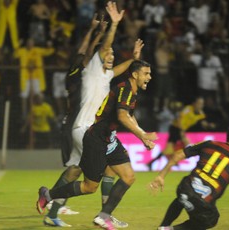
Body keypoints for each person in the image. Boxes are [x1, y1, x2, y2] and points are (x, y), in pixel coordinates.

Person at [41, 2, 144, 228]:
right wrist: (113, 25)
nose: (110, 55)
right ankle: (99, 214)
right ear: (99, 56)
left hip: (89, 130)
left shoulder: (105, 76)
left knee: (80, 170)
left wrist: (135, 59)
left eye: (113, 55)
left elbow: (123, 68)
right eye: (107, 53)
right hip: (89, 130)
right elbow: (105, 45)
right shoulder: (93, 71)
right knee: (94, 181)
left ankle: (56, 209)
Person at [36, 60, 157, 230]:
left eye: (150, 73)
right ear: (135, 74)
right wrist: (142, 134)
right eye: (146, 73)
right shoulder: (125, 89)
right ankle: (48, 194)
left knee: (128, 177)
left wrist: (142, 137)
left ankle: (103, 217)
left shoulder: (132, 91)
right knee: (89, 187)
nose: (149, 77)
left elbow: (129, 115)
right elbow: (122, 117)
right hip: (96, 139)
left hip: (110, 138)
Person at [149, 124, 229, 230]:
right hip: (203, 202)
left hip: (184, 187)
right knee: (211, 219)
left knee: (183, 197)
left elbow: (178, 154)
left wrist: (161, 176)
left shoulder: (210, 144)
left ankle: (163, 225)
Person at [147, 97, 215, 171]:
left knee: (168, 149)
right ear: (194, 104)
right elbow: (180, 118)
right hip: (175, 128)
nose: (200, 105)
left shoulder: (201, 114)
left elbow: (203, 123)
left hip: (181, 130)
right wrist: (181, 131)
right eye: (199, 103)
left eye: (202, 104)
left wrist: (209, 125)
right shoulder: (188, 109)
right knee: (187, 143)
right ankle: (199, 164)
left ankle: (152, 163)